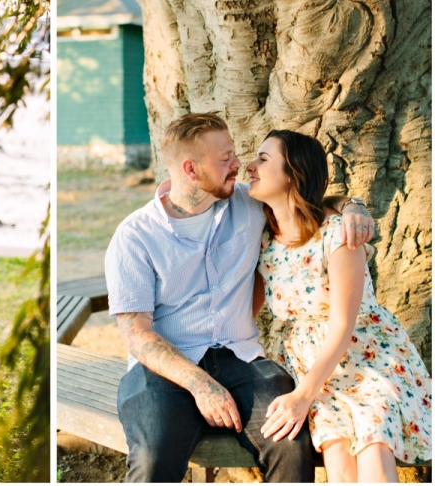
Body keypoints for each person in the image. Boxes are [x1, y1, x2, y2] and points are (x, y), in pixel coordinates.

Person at [105, 112, 375, 483]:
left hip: (243, 360)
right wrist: (200, 384)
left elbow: (306, 198)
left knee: (291, 444)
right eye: (225, 159)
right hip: (165, 370)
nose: (238, 165)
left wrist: (353, 206)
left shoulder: (248, 204)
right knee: (153, 459)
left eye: (234, 154)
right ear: (191, 169)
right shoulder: (135, 236)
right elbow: (136, 334)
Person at [246, 129, 432, 482]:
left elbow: (343, 324)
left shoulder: (338, 235)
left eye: (263, 159)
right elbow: (243, 318)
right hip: (313, 367)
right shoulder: (265, 246)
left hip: (369, 360)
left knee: (373, 438)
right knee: (335, 446)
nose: (250, 166)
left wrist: (302, 395)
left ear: (292, 174)